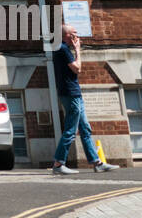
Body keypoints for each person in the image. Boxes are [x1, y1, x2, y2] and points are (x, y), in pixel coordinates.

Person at [51, 23, 119, 176]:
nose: (77, 35)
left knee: (85, 128)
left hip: (73, 93)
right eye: (74, 33)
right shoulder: (63, 49)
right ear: (67, 35)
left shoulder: (60, 48)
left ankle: (97, 163)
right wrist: (77, 50)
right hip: (71, 94)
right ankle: (58, 163)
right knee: (70, 129)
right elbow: (77, 68)